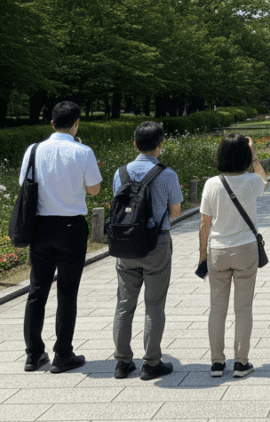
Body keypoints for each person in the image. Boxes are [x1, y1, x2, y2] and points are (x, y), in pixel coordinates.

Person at [20, 101, 102, 373]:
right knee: (67, 291)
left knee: (36, 290)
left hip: (40, 227)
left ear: (52, 123)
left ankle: (33, 353)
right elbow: (94, 190)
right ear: (77, 123)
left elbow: (24, 184)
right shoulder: (83, 151)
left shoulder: (33, 151)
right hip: (70, 227)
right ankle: (62, 353)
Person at [111, 121, 183, 380]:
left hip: (125, 245)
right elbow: (175, 211)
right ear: (160, 145)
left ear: (134, 144)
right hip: (156, 244)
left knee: (124, 303)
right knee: (154, 304)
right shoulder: (167, 174)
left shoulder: (120, 173)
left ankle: (122, 361)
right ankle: (151, 362)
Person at [199, 134, 269, 379]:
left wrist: (202, 255)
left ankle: (217, 362)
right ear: (244, 157)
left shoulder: (211, 184)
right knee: (243, 308)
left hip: (217, 249)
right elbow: (265, 182)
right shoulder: (252, 181)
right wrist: (255, 155)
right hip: (245, 249)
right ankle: (241, 362)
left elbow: (204, 224)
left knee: (217, 309)